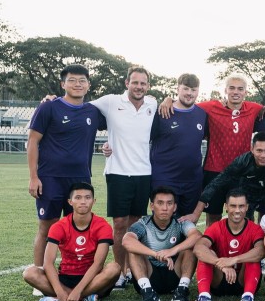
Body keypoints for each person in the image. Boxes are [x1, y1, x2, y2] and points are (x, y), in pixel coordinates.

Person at [159, 74, 265, 227]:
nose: (235, 92)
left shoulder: (254, 108)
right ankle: (212, 248)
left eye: (240, 89)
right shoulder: (210, 107)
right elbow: (186, 102)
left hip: (242, 172)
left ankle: (246, 247)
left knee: (245, 214)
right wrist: (168, 99)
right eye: (231, 88)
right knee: (213, 215)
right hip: (214, 171)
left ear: (246, 92)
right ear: (225, 90)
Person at [26, 64, 105, 269]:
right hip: (50, 178)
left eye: (82, 81)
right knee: (47, 226)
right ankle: (40, 274)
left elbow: (121, 124)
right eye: (72, 80)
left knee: (78, 227)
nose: (77, 84)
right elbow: (33, 141)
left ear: (88, 85)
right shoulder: (49, 107)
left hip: (80, 180)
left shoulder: (94, 111)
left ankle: (75, 271)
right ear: (63, 84)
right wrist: (33, 177)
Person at [84, 65, 158, 285]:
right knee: (119, 223)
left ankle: (132, 269)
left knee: (136, 224)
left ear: (148, 86)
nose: (139, 86)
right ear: (127, 83)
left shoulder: (153, 104)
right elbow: (78, 105)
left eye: (143, 83)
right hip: (117, 172)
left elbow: (166, 105)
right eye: (135, 82)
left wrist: (168, 101)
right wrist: (52, 99)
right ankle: (119, 271)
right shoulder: (111, 101)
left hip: (143, 173)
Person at [23, 182, 121, 301]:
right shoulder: (58, 226)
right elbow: (48, 263)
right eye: (78, 198)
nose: (83, 201)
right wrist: (59, 290)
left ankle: (67, 298)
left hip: (93, 279)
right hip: (65, 278)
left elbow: (98, 264)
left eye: (87, 197)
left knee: (114, 268)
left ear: (94, 201)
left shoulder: (103, 226)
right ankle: (79, 297)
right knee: (30, 273)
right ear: (70, 202)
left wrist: (78, 291)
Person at [183, 132, 265, 224]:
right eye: (259, 150)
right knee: (245, 225)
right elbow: (216, 183)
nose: (263, 155)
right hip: (250, 192)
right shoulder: (243, 162)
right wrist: (196, 213)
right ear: (252, 149)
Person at [122, 186, 202, 301]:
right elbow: (126, 240)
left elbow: (197, 235)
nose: (165, 208)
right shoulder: (143, 224)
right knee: (134, 250)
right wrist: (156, 254)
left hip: (173, 273)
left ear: (174, 207)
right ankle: (148, 293)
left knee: (190, 246)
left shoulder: (180, 222)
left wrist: (172, 250)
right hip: (149, 274)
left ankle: (181, 291)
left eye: (169, 203)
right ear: (152, 206)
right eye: (160, 203)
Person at [192, 189, 265, 301]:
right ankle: (204, 296)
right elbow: (198, 248)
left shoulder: (255, 229)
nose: (237, 210)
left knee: (253, 255)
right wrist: (221, 264)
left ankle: (248, 297)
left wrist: (234, 259)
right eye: (233, 206)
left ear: (247, 207)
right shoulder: (216, 227)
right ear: (226, 207)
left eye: (241, 206)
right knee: (207, 252)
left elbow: (261, 251)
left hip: (244, 281)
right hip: (220, 280)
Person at [149, 73, 208, 217]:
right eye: (186, 89)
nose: (189, 93)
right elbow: (142, 139)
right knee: (164, 223)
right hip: (165, 178)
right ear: (178, 89)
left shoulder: (202, 114)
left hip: (192, 180)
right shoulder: (162, 111)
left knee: (186, 225)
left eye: (193, 90)